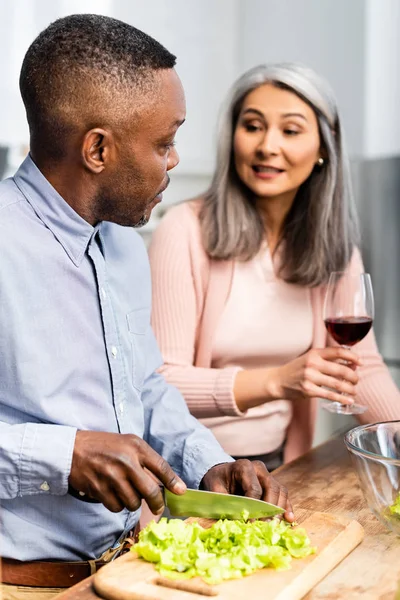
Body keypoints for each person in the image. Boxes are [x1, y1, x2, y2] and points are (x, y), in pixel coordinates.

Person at [0, 17, 293, 600]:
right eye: (164, 142)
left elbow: (144, 386)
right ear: (98, 149)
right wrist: (65, 454)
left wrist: (208, 461)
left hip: (128, 571)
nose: (175, 160)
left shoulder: (123, 247)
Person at [149, 62, 400, 470]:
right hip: (191, 468)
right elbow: (161, 381)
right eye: (252, 126)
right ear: (232, 138)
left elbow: (362, 366)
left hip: (278, 465)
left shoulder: (334, 245)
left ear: (324, 146)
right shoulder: (184, 231)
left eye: (290, 130)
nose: (267, 146)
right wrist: (278, 380)